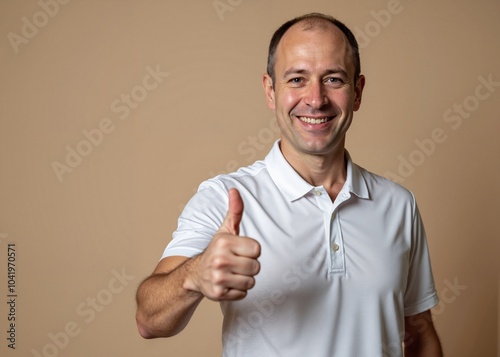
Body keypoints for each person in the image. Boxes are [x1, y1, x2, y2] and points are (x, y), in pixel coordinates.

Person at [135, 12, 443, 356]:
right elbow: (149, 319)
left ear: (357, 92)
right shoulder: (225, 198)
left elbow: (418, 331)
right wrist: (195, 274)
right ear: (270, 90)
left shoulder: (398, 205)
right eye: (297, 79)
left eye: (334, 79)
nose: (315, 98)